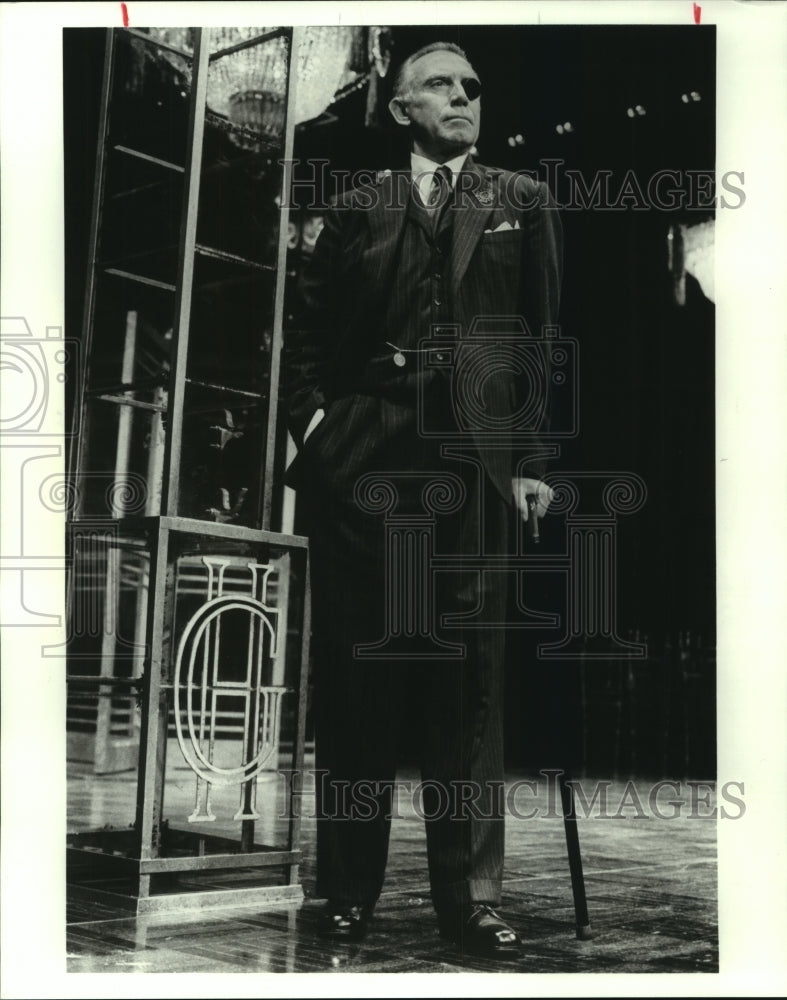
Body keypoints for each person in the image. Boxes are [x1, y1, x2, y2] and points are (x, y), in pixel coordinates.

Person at [284, 41, 563, 959]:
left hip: (476, 467)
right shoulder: (354, 204)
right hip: (363, 459)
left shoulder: (519, 198)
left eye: (471, 86)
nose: (462, 96)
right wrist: (315, 430)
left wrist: (532, 460)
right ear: (399, 107)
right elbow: (304, 332)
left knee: (467, 687)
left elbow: (542, 338)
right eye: (440, 85)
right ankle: (345, 891)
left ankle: (471, 901)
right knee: (358, 680)